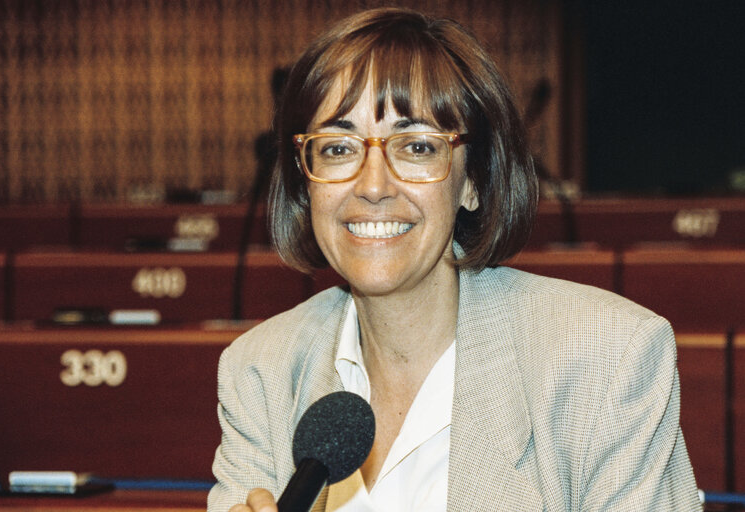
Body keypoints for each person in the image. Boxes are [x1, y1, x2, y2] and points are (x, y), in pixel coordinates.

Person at [209, 7, 701, 512]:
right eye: (337, 149)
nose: (372, 186)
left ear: (473, 181)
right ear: (305, 179)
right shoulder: (260, 371)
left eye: (417, 146)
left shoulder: (607, 359)